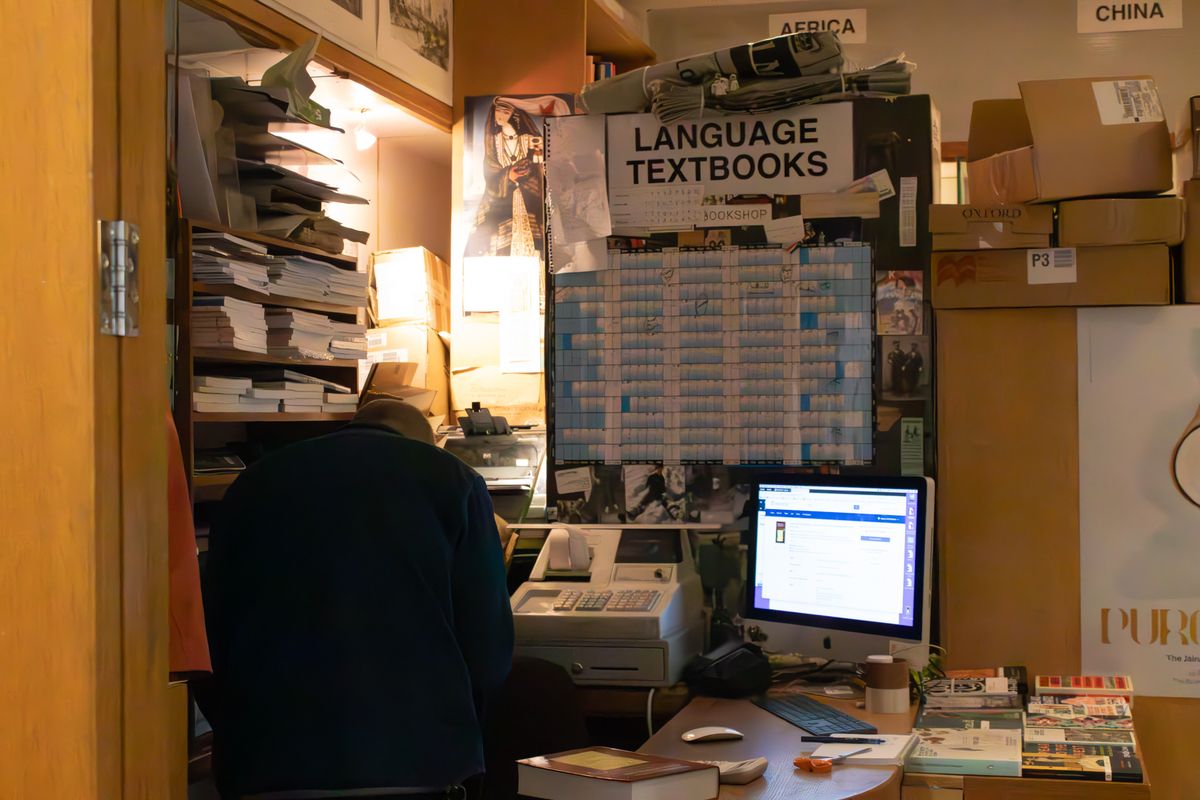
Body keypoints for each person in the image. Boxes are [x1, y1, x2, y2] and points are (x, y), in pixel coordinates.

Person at [203, 399, 513, 800]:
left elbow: (209, 641)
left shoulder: (252, 484)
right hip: (417, 764)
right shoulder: (453, 481)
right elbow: (488, 651)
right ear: (425, 442)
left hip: (267, 766)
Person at [465, 95, 569, 259]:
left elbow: (542, 161)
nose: (500, 116)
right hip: (504, 198)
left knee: (536, 245)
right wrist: (508, 175)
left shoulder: (527, 139)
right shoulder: (494, 141)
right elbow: (491, 169)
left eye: (505, 112)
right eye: (498, 112)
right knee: (500, 246)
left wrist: (535, 162)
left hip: (530, 196)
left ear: (514, 115)